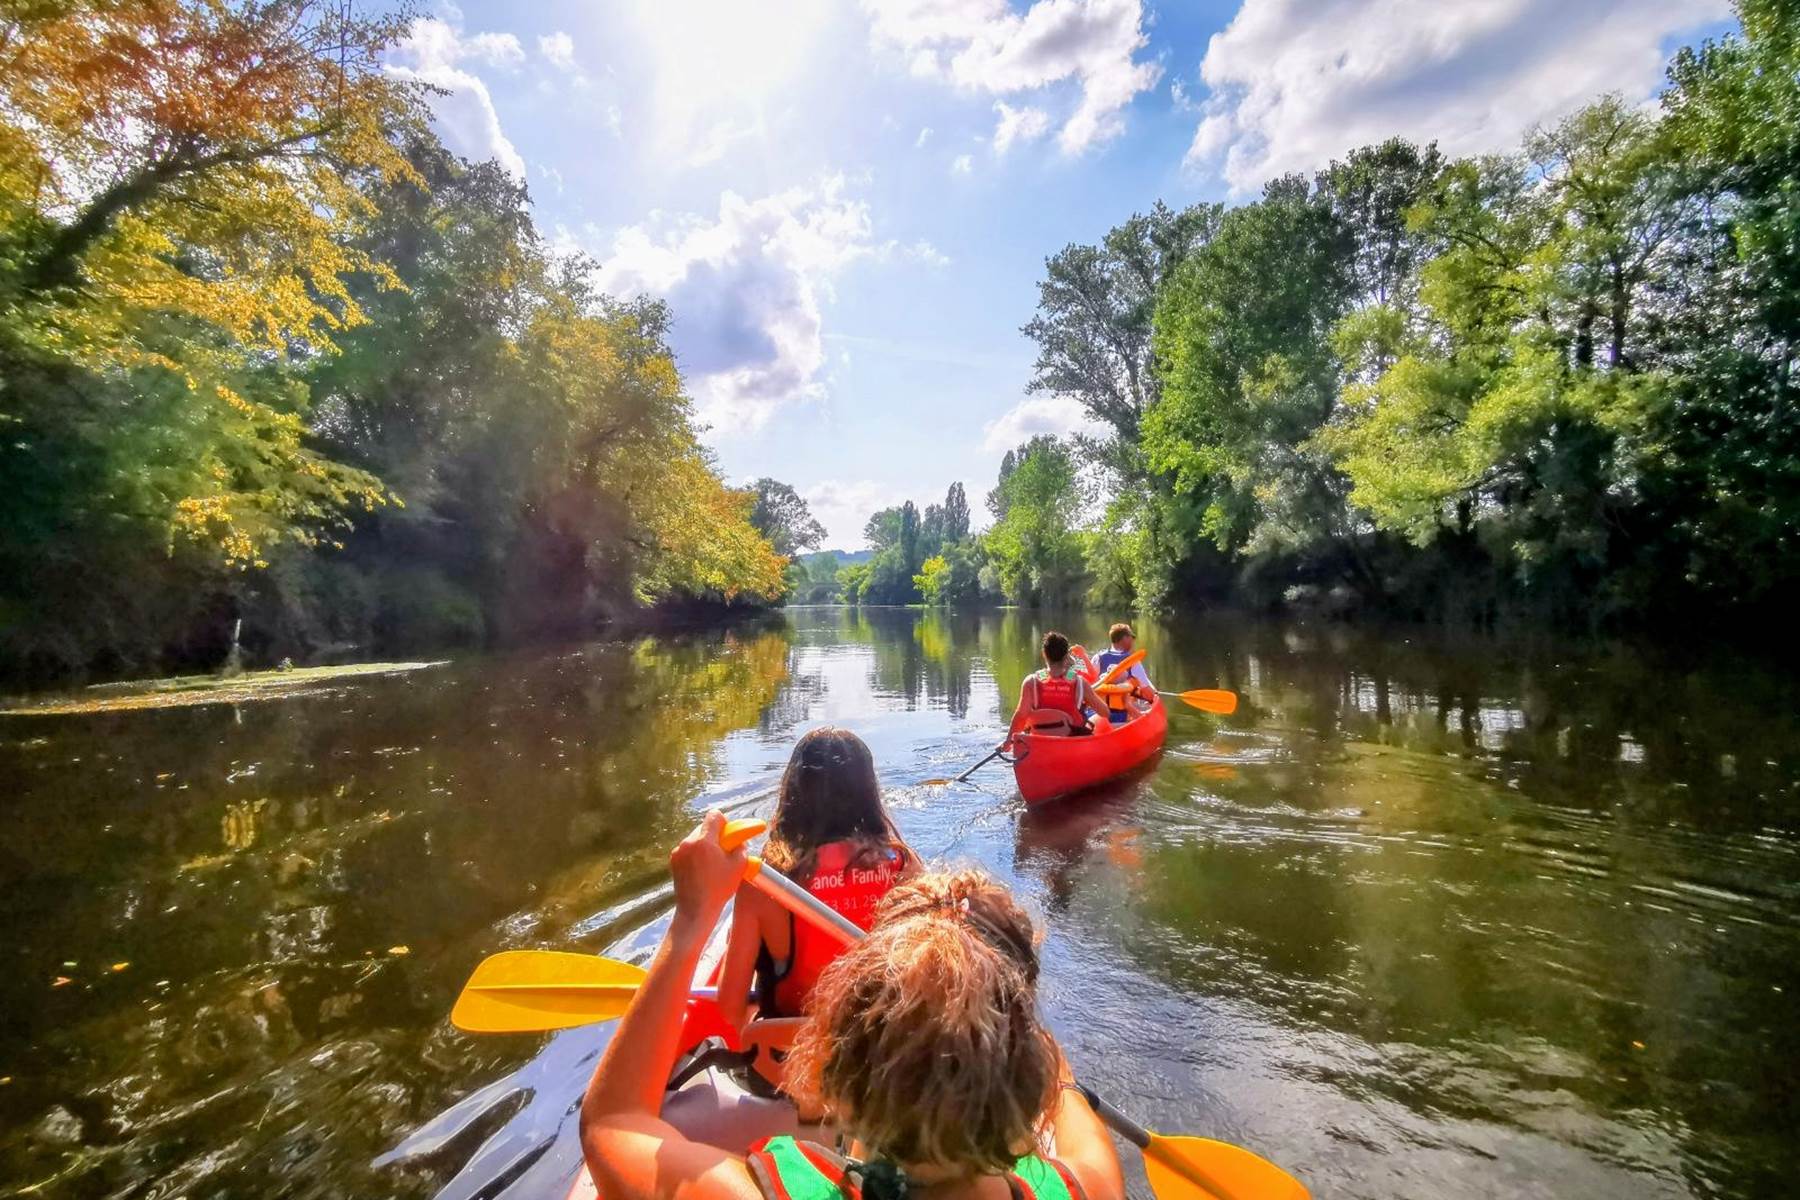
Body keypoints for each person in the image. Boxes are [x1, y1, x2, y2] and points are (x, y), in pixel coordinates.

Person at [580, 810, 1127, 1200]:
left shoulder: (765, 1189)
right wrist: (1051, 1064)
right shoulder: (1085, 1188)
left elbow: (614, 1124)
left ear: (834, 1068)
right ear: (1024, 1081)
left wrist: (691, 920)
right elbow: (1071, 1108)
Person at [715, 728, 919, 1085]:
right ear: (868, 792)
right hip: (882, 1070)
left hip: (792, 1071)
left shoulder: (765, 882)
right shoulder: (903, 865)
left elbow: (730, 1008)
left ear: (794, 792)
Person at [1012, 631, 1114, 738]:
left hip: (1040, 740)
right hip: (1070, 741)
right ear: (1066, 656)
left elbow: (1020, 715)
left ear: (1044, 654)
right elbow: (1105, 713)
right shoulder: (1079, 682)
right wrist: (1085, 700)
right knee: (1100, 719)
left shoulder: (1030, 681)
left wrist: (1009, 740)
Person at [1091, 624, 1154, 726]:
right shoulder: (1132, 661)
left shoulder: (1097, 657)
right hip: (1123, 718)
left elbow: (1090, 682)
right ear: (1125, 638)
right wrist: (1149, 696)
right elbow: (1148, 693)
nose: (1133, 641)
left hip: (1099, 717)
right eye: (1132, 637)